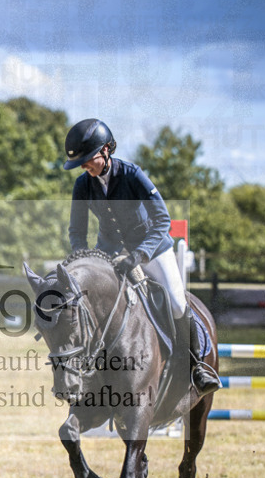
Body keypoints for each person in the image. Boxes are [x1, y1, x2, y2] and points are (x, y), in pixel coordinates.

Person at [63, 118, 220, 395]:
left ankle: (197, 366)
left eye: (89, 160)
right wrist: (83, 259)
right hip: (108, 252)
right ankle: (92, 374)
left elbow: (162, 220)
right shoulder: (82, 185)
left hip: (152, 248)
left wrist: (139, 255)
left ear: (106, 151)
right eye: (81, 163)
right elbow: (77, 231)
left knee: (175, 301)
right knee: (89, 303)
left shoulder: (132, 175)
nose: (86, 167)